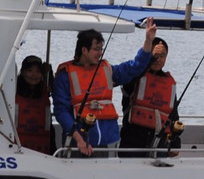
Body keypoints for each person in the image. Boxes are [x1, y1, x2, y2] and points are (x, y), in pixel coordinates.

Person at [53, 18, 157, 156]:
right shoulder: (65, 76)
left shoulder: (107, 70)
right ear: (84, 50)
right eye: (96, 49)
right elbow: (61, 111)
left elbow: (134, 68)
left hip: (105, 141)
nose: (100, 53)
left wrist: (148, 41)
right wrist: (78, 139)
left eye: (101, 49)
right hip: (77, 143)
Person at [119, 36, 183, 157]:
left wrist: (175, 143)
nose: (158, 60)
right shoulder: (134, 76)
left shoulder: (169, 83)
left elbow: (174, 115)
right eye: (155, 56)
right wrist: (148, 60)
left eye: (162, 56)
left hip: (159, 145)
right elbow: (128, 80)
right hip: (133, 143)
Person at [15, 55, 55, 154]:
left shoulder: (45, 89)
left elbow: (56, 90)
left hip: (43, 145)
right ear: (23, 72)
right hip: (18, 144)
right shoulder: (13, 89)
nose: (34, 75)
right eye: (30, 70)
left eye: (38, 71)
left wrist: (49, 74)